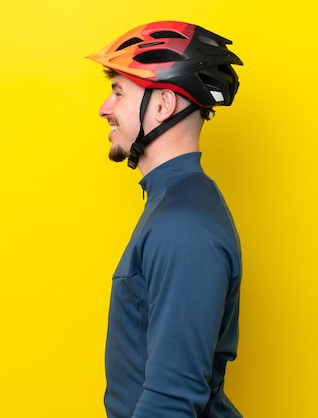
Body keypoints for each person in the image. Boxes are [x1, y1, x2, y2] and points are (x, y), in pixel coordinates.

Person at [87, 21, 244, 417]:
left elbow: (171, 401)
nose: (104, 108)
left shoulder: (184, 226)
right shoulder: (172, 205)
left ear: (162, 105)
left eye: (118, 92)